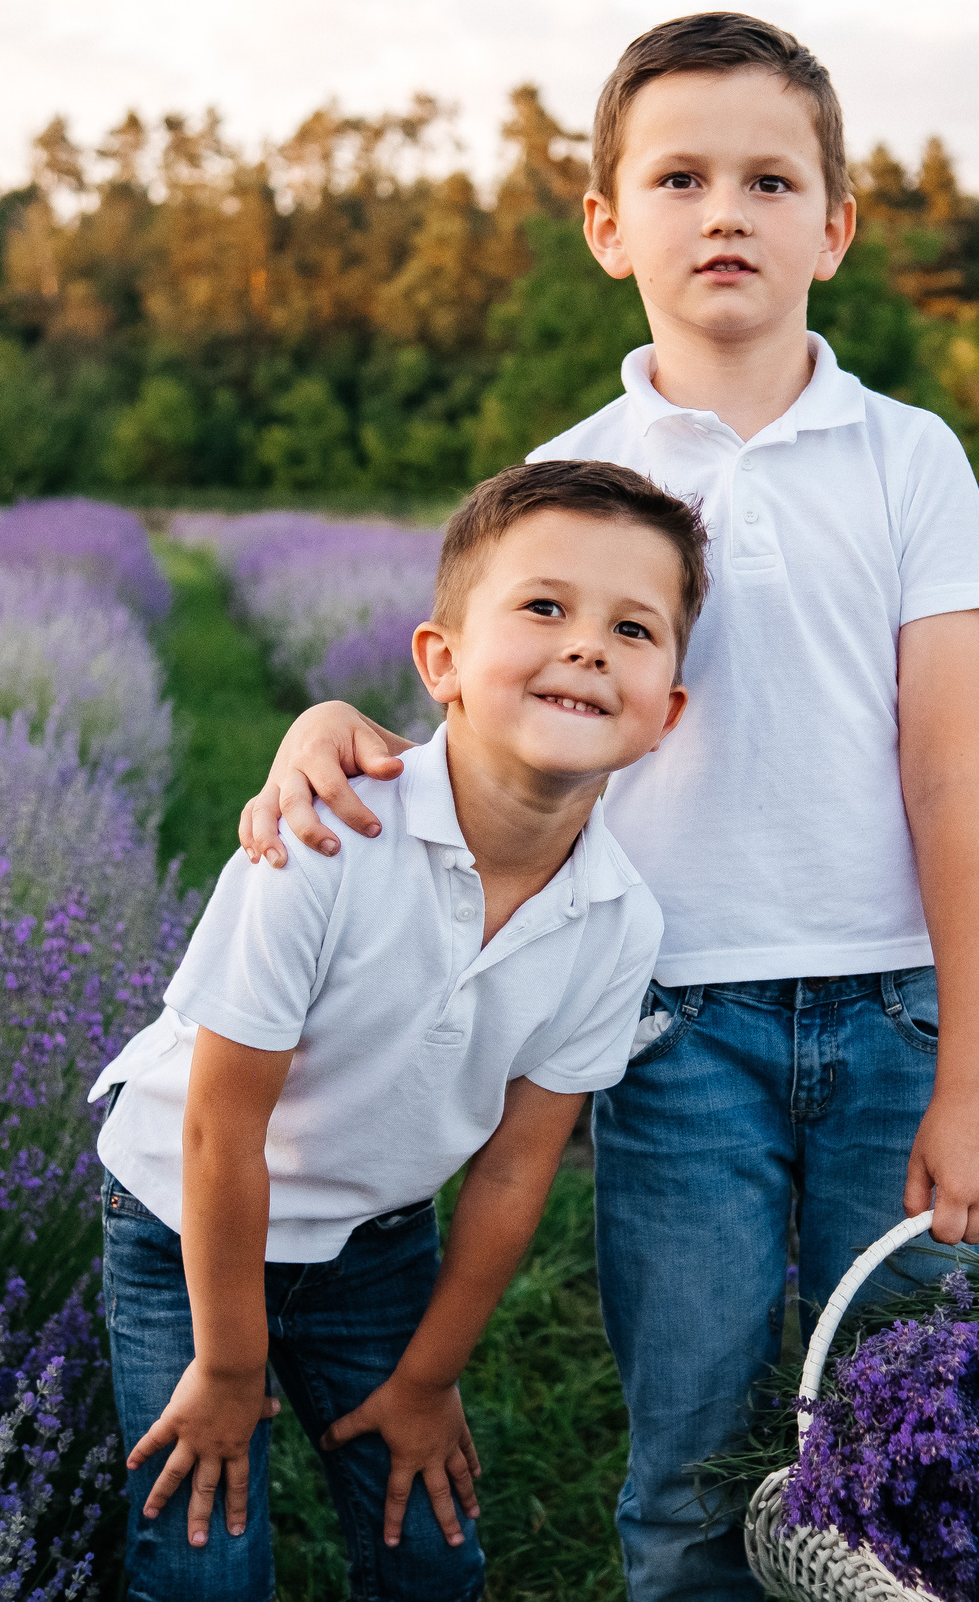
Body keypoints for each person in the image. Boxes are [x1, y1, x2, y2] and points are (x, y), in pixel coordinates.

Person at [238, 12, 979, 1600]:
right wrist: (333, 729)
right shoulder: (579, 470)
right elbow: (516, 717)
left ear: (836, 225)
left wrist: (977, 1073)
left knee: (921, 1450)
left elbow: (950, 778)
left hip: (891, 1018)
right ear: (611, 228)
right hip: (669, 1025)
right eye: (678, 176)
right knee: (691, 1450)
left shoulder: (908, 456)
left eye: (767, 178)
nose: (723, 210)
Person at [93, 458, 707, 1600]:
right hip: (186, 1216)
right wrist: (230, 1366)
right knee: (204, 1567)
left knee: (428, 1556)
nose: (586, 646)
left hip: (375, 1243)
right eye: (543, 608)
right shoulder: (325, 838)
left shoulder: (619, 922)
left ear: (664, 712)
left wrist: (428, 1380)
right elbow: (221, 1131)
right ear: (442, 663)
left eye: (634, 628)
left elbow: (518, 1171)